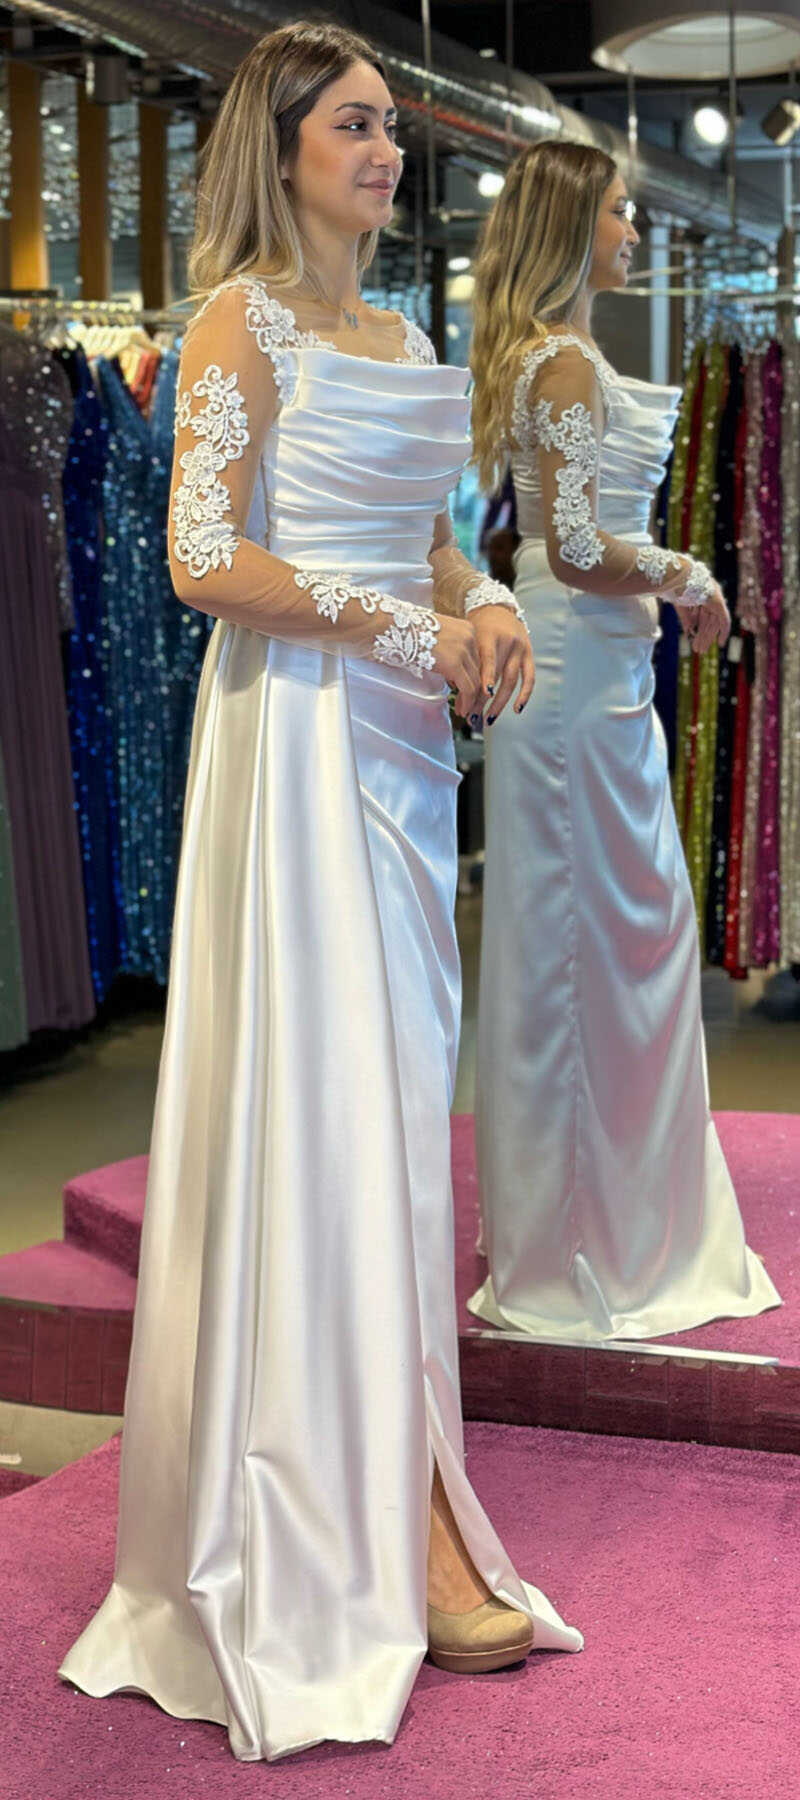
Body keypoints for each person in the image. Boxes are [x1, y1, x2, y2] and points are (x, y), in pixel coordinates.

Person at [58, 25, 581, 1765]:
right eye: (353, 125)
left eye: (389, 127)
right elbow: (203, 558)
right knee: (325, 1109)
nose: (385, 150)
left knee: (392, 1117)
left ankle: (394, 1471)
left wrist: (480, 604)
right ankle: (371, 1517)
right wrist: (404, 627)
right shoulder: (240, 323)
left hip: (403, 761)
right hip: (292, 745)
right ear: (278, 148)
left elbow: (425, 532)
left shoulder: (405, 332)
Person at [469, 140, 781, 1344]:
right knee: (588, 946)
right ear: (570, 227)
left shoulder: (559, 354)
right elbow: (577, 546)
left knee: (618, 938)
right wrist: (689, 572)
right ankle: (581, 1244)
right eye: (616, 211)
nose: (633, 231)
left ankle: (602, 1219)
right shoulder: (556, 363)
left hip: (593, 673)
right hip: (570, 679)